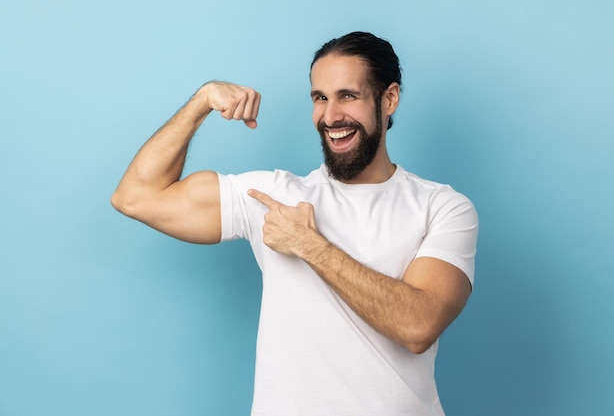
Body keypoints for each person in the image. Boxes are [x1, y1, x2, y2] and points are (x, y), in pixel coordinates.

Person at [111, 31, 478, 416]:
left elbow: (418, 326)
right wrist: (202, 101)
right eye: (320, 98)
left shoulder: (443, 207)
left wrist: (309, 245)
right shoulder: (274, 196)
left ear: (389, 99)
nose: (331, 116)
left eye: (347, 96)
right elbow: (135, 196)